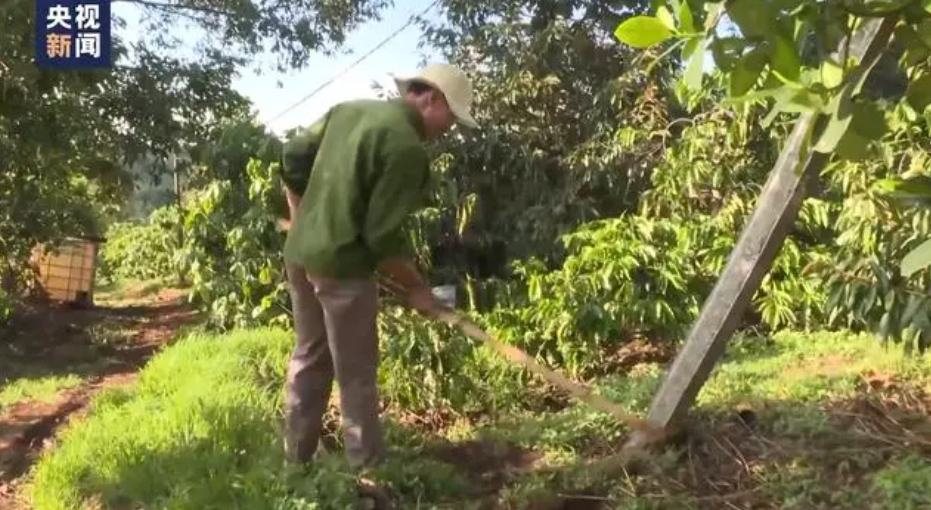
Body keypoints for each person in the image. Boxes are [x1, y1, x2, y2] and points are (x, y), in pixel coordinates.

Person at [276, 63, 479, 506]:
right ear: (432, 100)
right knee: (357, 374)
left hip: (300, 253)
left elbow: (292, 156)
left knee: (309, 357)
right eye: (451, 118)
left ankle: (294, 468)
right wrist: (419, 290)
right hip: (343, 268)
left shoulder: (348, 110)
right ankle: (368, 480)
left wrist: (301, 217)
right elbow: (382, 239)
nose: (449, 130)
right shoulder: (406, 148)